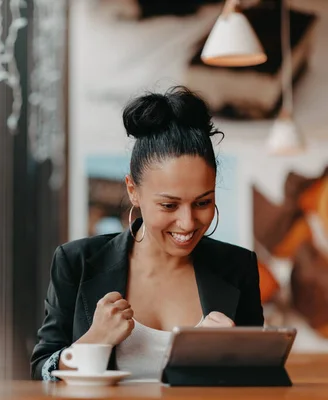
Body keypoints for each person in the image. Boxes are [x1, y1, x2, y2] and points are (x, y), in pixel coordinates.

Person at [30, 86, 264, 381]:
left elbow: (259, 382)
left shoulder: (238, 267)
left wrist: (230, 357)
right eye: (169, 204)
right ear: (133, 191)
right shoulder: (76, 261)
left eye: (203, 202)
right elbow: (40, 371)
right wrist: (94, 341)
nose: (188, 222)